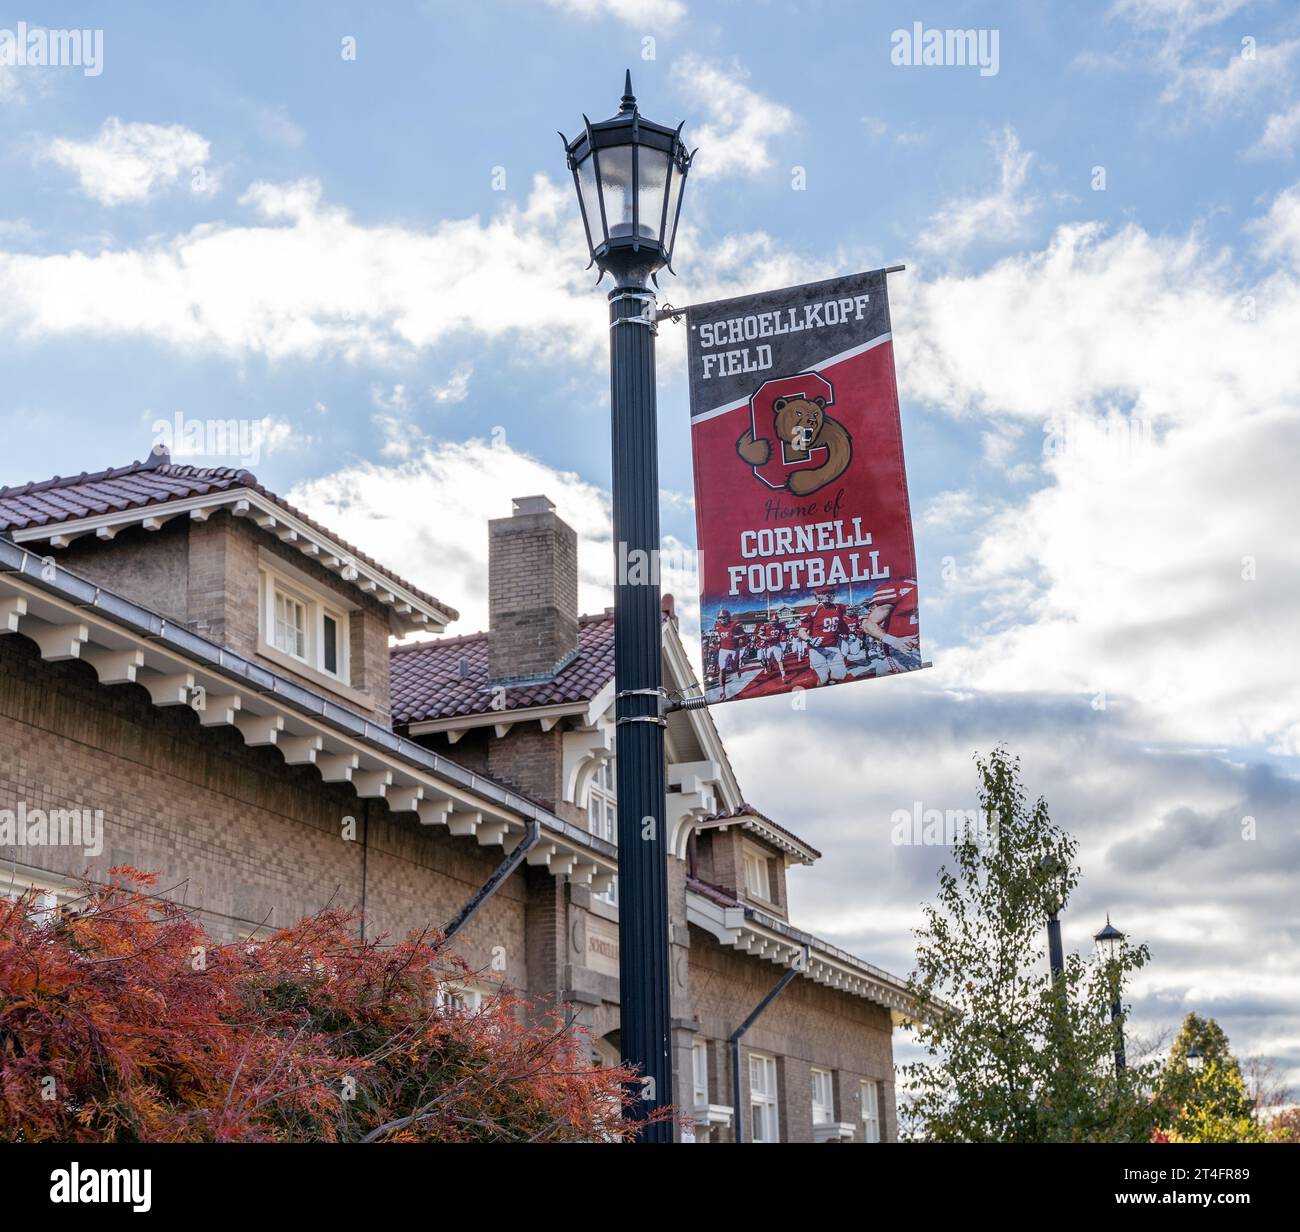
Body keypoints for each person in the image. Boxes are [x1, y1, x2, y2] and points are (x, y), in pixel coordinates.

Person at [801, 586, 849, 686]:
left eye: (829, 592)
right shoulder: (812, 610)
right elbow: (801, 631)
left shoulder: (838, 608)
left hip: (833, 646)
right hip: (816, 648)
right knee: (823, 677)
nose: (827, 595)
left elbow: (841, 624)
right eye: (823, 593)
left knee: (840, 675)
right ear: (817, 596)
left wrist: (847, 633)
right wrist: (810, 639)